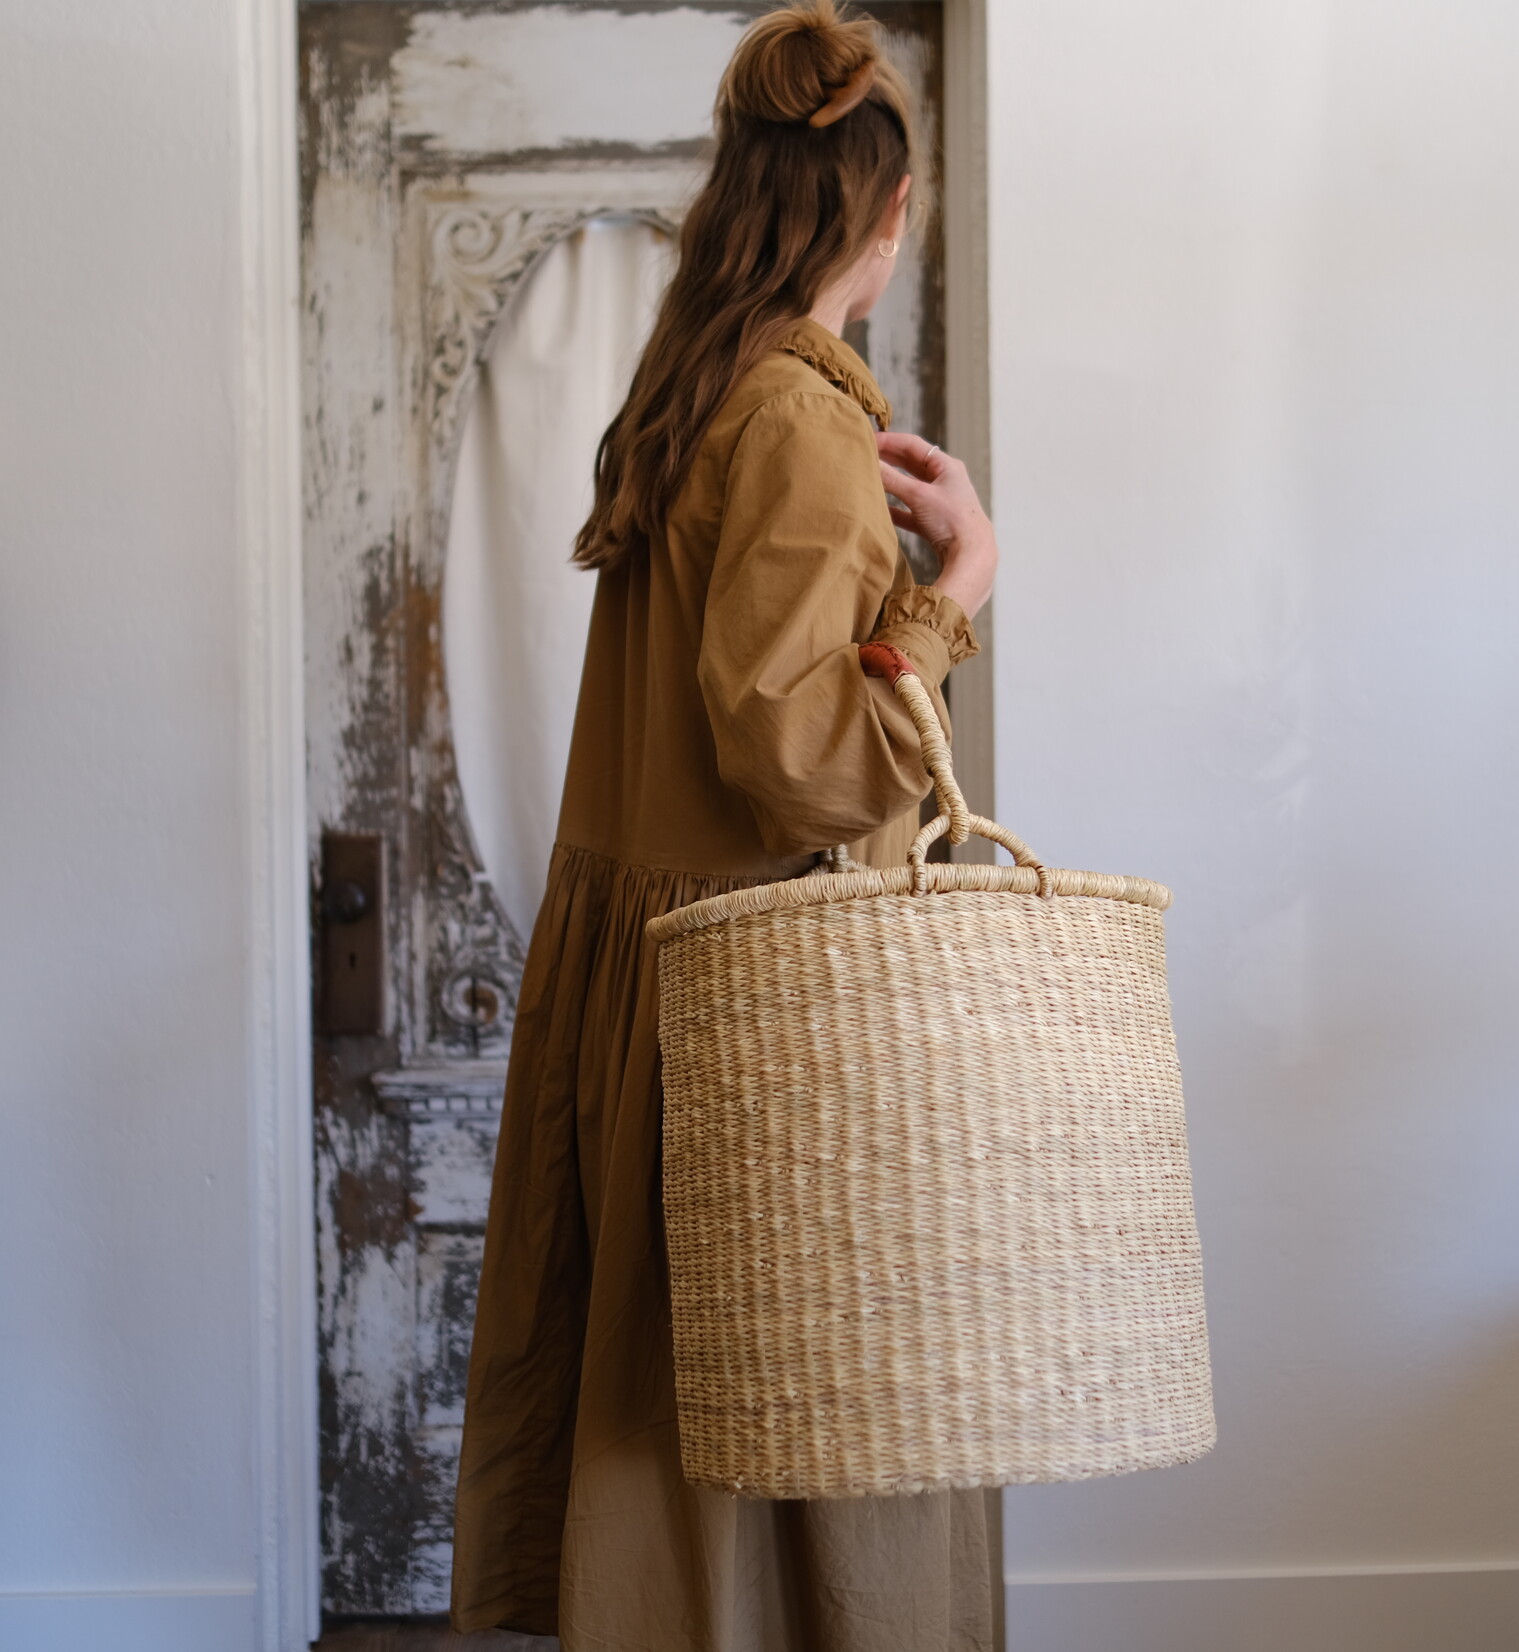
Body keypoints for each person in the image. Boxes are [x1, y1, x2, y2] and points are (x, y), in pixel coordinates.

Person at [450, 4, 999, 1646]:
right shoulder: (797, 420)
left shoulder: (696, 387)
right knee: (818, 1467)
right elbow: (812, 760)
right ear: (887, 217)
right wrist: (957, 585)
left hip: (677, 996)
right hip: (778, 1026)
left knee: (684, 1469)